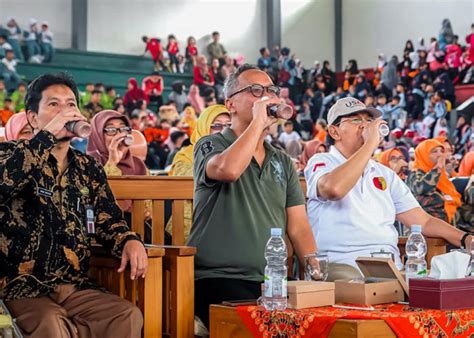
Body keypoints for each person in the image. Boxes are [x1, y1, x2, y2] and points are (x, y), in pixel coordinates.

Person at [0, 73, 147, 338]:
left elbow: (108, 218)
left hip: (73, 286)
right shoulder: (11, 155)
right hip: (19, 287)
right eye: (54, 104)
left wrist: (128, 240)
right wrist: (45, 137)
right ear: (33, 118)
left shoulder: (87, 167)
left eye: (70, 105)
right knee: (52, 324)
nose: (65, 112)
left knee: (124, 314)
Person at [188, 64, 317, 328]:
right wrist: (258, 123)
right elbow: (229, 170)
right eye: (255, 90)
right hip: (217, 277)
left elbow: (299, 226)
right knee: (264, 328)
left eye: (271, 90)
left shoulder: (280, 159)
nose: (267, 97)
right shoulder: (211, 144)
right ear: (231, 104)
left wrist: (316, 272)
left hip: (271, 281)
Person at [304, 97, 472, 280]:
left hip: (389, 266)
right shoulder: (322, 162)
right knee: (363, 285)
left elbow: (423, 221)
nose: (365, 126)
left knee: (447, 287)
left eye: (368, 120)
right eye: (355, 120)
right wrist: (370, 144)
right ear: (334, 132)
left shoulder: (384, 173)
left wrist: (465, 238)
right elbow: (334, 189)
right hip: (342, 264)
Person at [167, 105, 230, 240]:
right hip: (189, 227)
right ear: (204, 127)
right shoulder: (186, 155)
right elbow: (186, 182)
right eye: (217, 126)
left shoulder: (239, 155)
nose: (224, 131)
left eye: (229, 125)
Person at [407, 139, 462, 223]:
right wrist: (438, 168)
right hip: (424, 228)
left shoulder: (442, 176)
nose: (440, 154)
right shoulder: (415, 174)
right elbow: (422, 189)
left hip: (446, 227)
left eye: (441, 151)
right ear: (424, 154)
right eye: (434, 151)